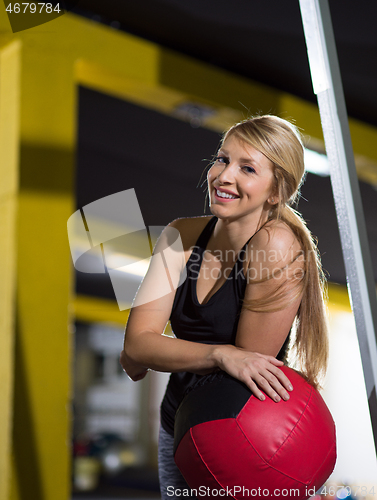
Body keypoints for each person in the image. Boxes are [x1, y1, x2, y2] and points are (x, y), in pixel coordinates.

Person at [120, 115, 329, 499]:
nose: (223, 175)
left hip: (241, 439)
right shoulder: (180, 235)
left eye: (247, 168)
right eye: (222, 159)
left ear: (276, 190)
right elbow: (136, 346)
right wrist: (220, 354)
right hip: (176, 426)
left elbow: (243, 372)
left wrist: (159, 351)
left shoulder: (276, 247)